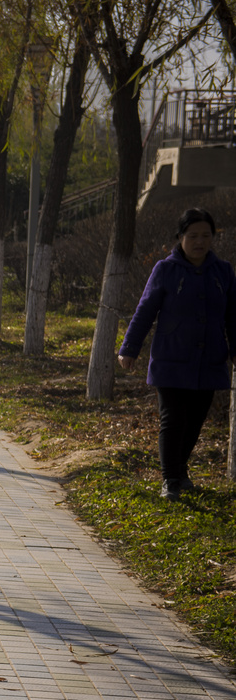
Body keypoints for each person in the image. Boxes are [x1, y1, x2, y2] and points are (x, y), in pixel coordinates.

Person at [118, 207, 236, 501]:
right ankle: (170, 479)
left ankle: (180, 471)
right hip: (171, 359)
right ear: (180, 238)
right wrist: (129, 348)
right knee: (173, 420)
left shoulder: (223, 272)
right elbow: (145, 311)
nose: (200, 241)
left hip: (209, 361)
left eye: (206, 235)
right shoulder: (165, 270)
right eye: (193, 236)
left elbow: (234, 316)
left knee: (195, 421)